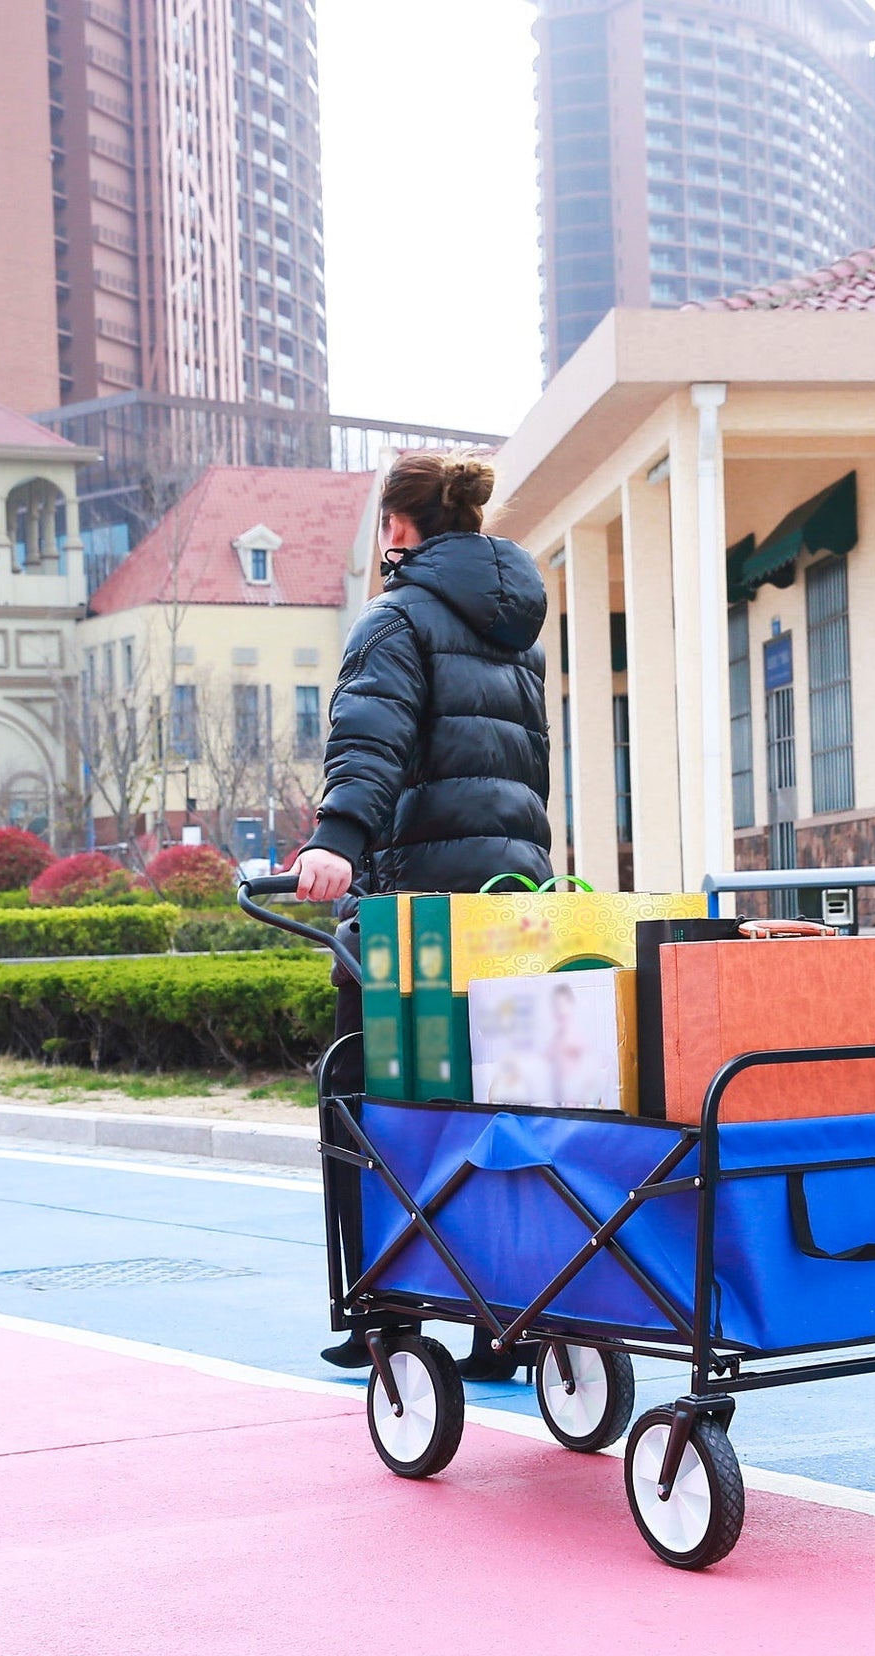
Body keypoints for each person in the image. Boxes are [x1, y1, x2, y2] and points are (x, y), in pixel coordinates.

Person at [286, 449, 552, 1378]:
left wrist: (336, 840)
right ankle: (505, 1317)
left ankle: (383, 1313)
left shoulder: (394, 619)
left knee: (369, 1103)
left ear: (398, 530)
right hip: (515, 907)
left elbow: (372, 737)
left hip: (418, 923)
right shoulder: (520, 631)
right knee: (500, 1107)